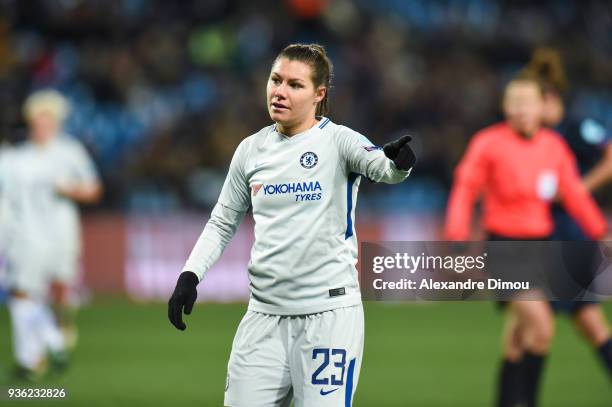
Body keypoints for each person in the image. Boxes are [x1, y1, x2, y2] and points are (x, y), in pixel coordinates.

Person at [168, 43, 416, 407]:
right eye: (275, 80)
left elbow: (381, 166)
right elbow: (222, 222)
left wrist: (399, 162)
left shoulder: (338, 140)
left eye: (295, 85)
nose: (280, 91)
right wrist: (190, 275)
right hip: (263, 317)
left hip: (328, 319)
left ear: (319, 94)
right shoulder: (251, 150)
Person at [444, 71, 607, 406]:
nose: (521, 110)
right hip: (506, 247)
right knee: (542, 327)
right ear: (505, 106)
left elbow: (574, 193)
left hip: (542, 247)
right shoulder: (488, 142)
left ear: (541, 107)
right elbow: (465, 186)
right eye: (514, 103)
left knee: (519, 338)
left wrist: (599, 231)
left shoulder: (553, 146)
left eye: (527, 103)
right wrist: (457, 233)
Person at [0, 89, 102, 379]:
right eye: (39, 119)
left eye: (49, 119)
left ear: (56, 122)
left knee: (57, 292)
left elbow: (94, 189)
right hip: (25, 237)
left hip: (62, 235)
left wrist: (68, 189)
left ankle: (56, 334)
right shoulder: (16, 157)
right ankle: (32, 359)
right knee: (23, 293)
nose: (43, 124)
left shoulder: (70, 151)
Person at [524, 48, 612, 377]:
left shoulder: (577, 126)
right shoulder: (537, 134)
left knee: (535, 327)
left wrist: (579, 189)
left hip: (569, 234)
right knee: (540, 326)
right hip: (542, 232)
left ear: (549, 98)